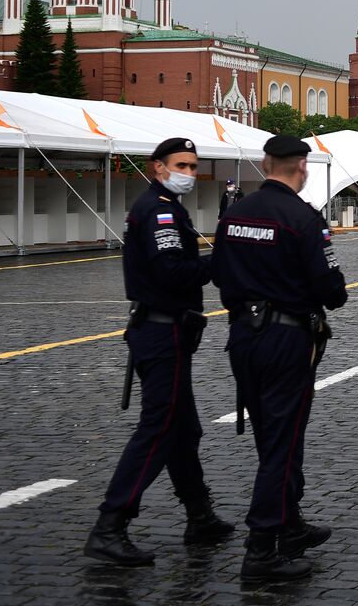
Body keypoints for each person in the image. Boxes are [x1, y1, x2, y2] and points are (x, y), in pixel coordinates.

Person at [84, 138, 233, 567]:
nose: (188, 171)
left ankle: (199, 515)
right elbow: (172, 271)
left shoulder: (168, 205)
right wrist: (219, 262)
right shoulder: (159, 211)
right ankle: (110, 525)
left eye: (192, 164)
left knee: (184, 431)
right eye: (180, 164)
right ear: (157, 167)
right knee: (160, 428)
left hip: (170, 330)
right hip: (161, 330)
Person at [212, 135, 349, 579]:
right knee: (281, 443)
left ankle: (289, 525)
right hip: (286, 340)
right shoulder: (302, 217)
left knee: (272, 437)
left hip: (242, 337)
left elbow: (219, 274)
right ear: (301, 168)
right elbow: (332, 291)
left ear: (266, 163)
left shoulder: (234, 214)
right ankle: (261, 549)